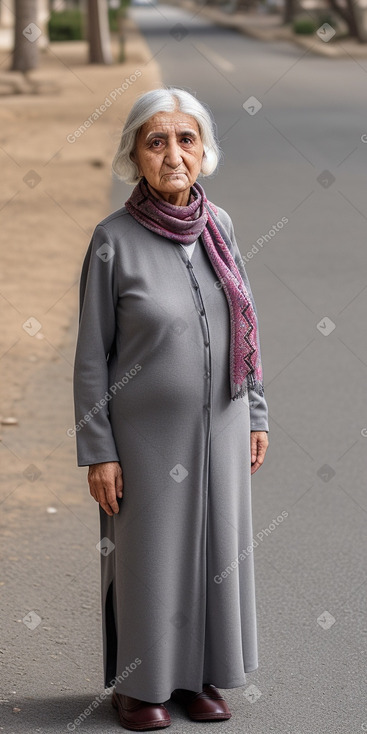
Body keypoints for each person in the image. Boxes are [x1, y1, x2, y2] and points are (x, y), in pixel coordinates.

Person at [73, 85, 269, 731]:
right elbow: (92, 356)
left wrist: (256, 414)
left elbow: (246, 326)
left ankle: (200, 680)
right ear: (135, 154)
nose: (173, 154)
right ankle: (142, 687)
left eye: (185, 139)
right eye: (156, 141)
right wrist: (98, 448)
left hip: (221, 424)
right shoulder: (113, 241)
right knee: (149, 560)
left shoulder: (221, 226)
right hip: (143, 436)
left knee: (217, 555)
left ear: (203, 149)